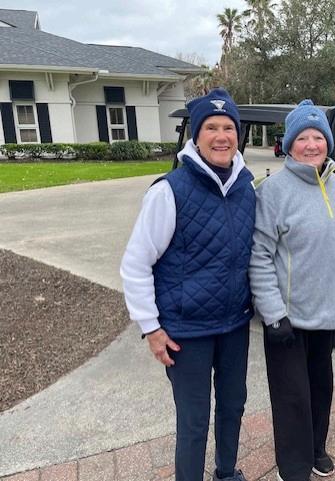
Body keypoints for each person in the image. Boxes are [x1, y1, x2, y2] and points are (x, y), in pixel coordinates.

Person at [120, 88, 254, 481]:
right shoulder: (169, 191)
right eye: (211, 128)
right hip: (187, 331)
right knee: (194, 422)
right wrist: (151, 328)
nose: (221, 136)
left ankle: (227, 473)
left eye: (228, 127)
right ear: (196, 136)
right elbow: (136, 263)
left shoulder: (246, 188)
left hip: (234, 324)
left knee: (232, 407)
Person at [249, 99, 335, 481]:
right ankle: (293, 467)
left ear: (328, 143)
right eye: (303, 138)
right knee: (291, 396)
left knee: (320, 387)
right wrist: (273, 313)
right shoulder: (273, 191)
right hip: (287, 318)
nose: (311, 145)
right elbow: (259, 255)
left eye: (318, 137)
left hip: (327, 314)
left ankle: (315, 448)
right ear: (289, 145)